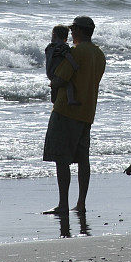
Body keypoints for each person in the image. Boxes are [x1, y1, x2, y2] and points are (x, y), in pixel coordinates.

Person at [42, 16, 106, 215]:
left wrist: (54, 81)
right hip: (87, 112)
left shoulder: (77, 52)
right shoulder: (99, 54)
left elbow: (59, 78)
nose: (71, 33)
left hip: (66, 112)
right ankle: (81, 203)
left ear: (78, 30)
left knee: (62, 159)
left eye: (73, 29)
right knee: (83, 159)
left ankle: (63, 204)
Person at [45, 25, 80, 105]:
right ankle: (70, 100)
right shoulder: (63, 47)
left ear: (54, 35)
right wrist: (74, 65)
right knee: (68, 83)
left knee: (54, 87)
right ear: (66, 38)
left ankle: (54, 100)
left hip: (49, 72)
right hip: (58, 73)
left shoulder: (49, 47)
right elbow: (68, 56)